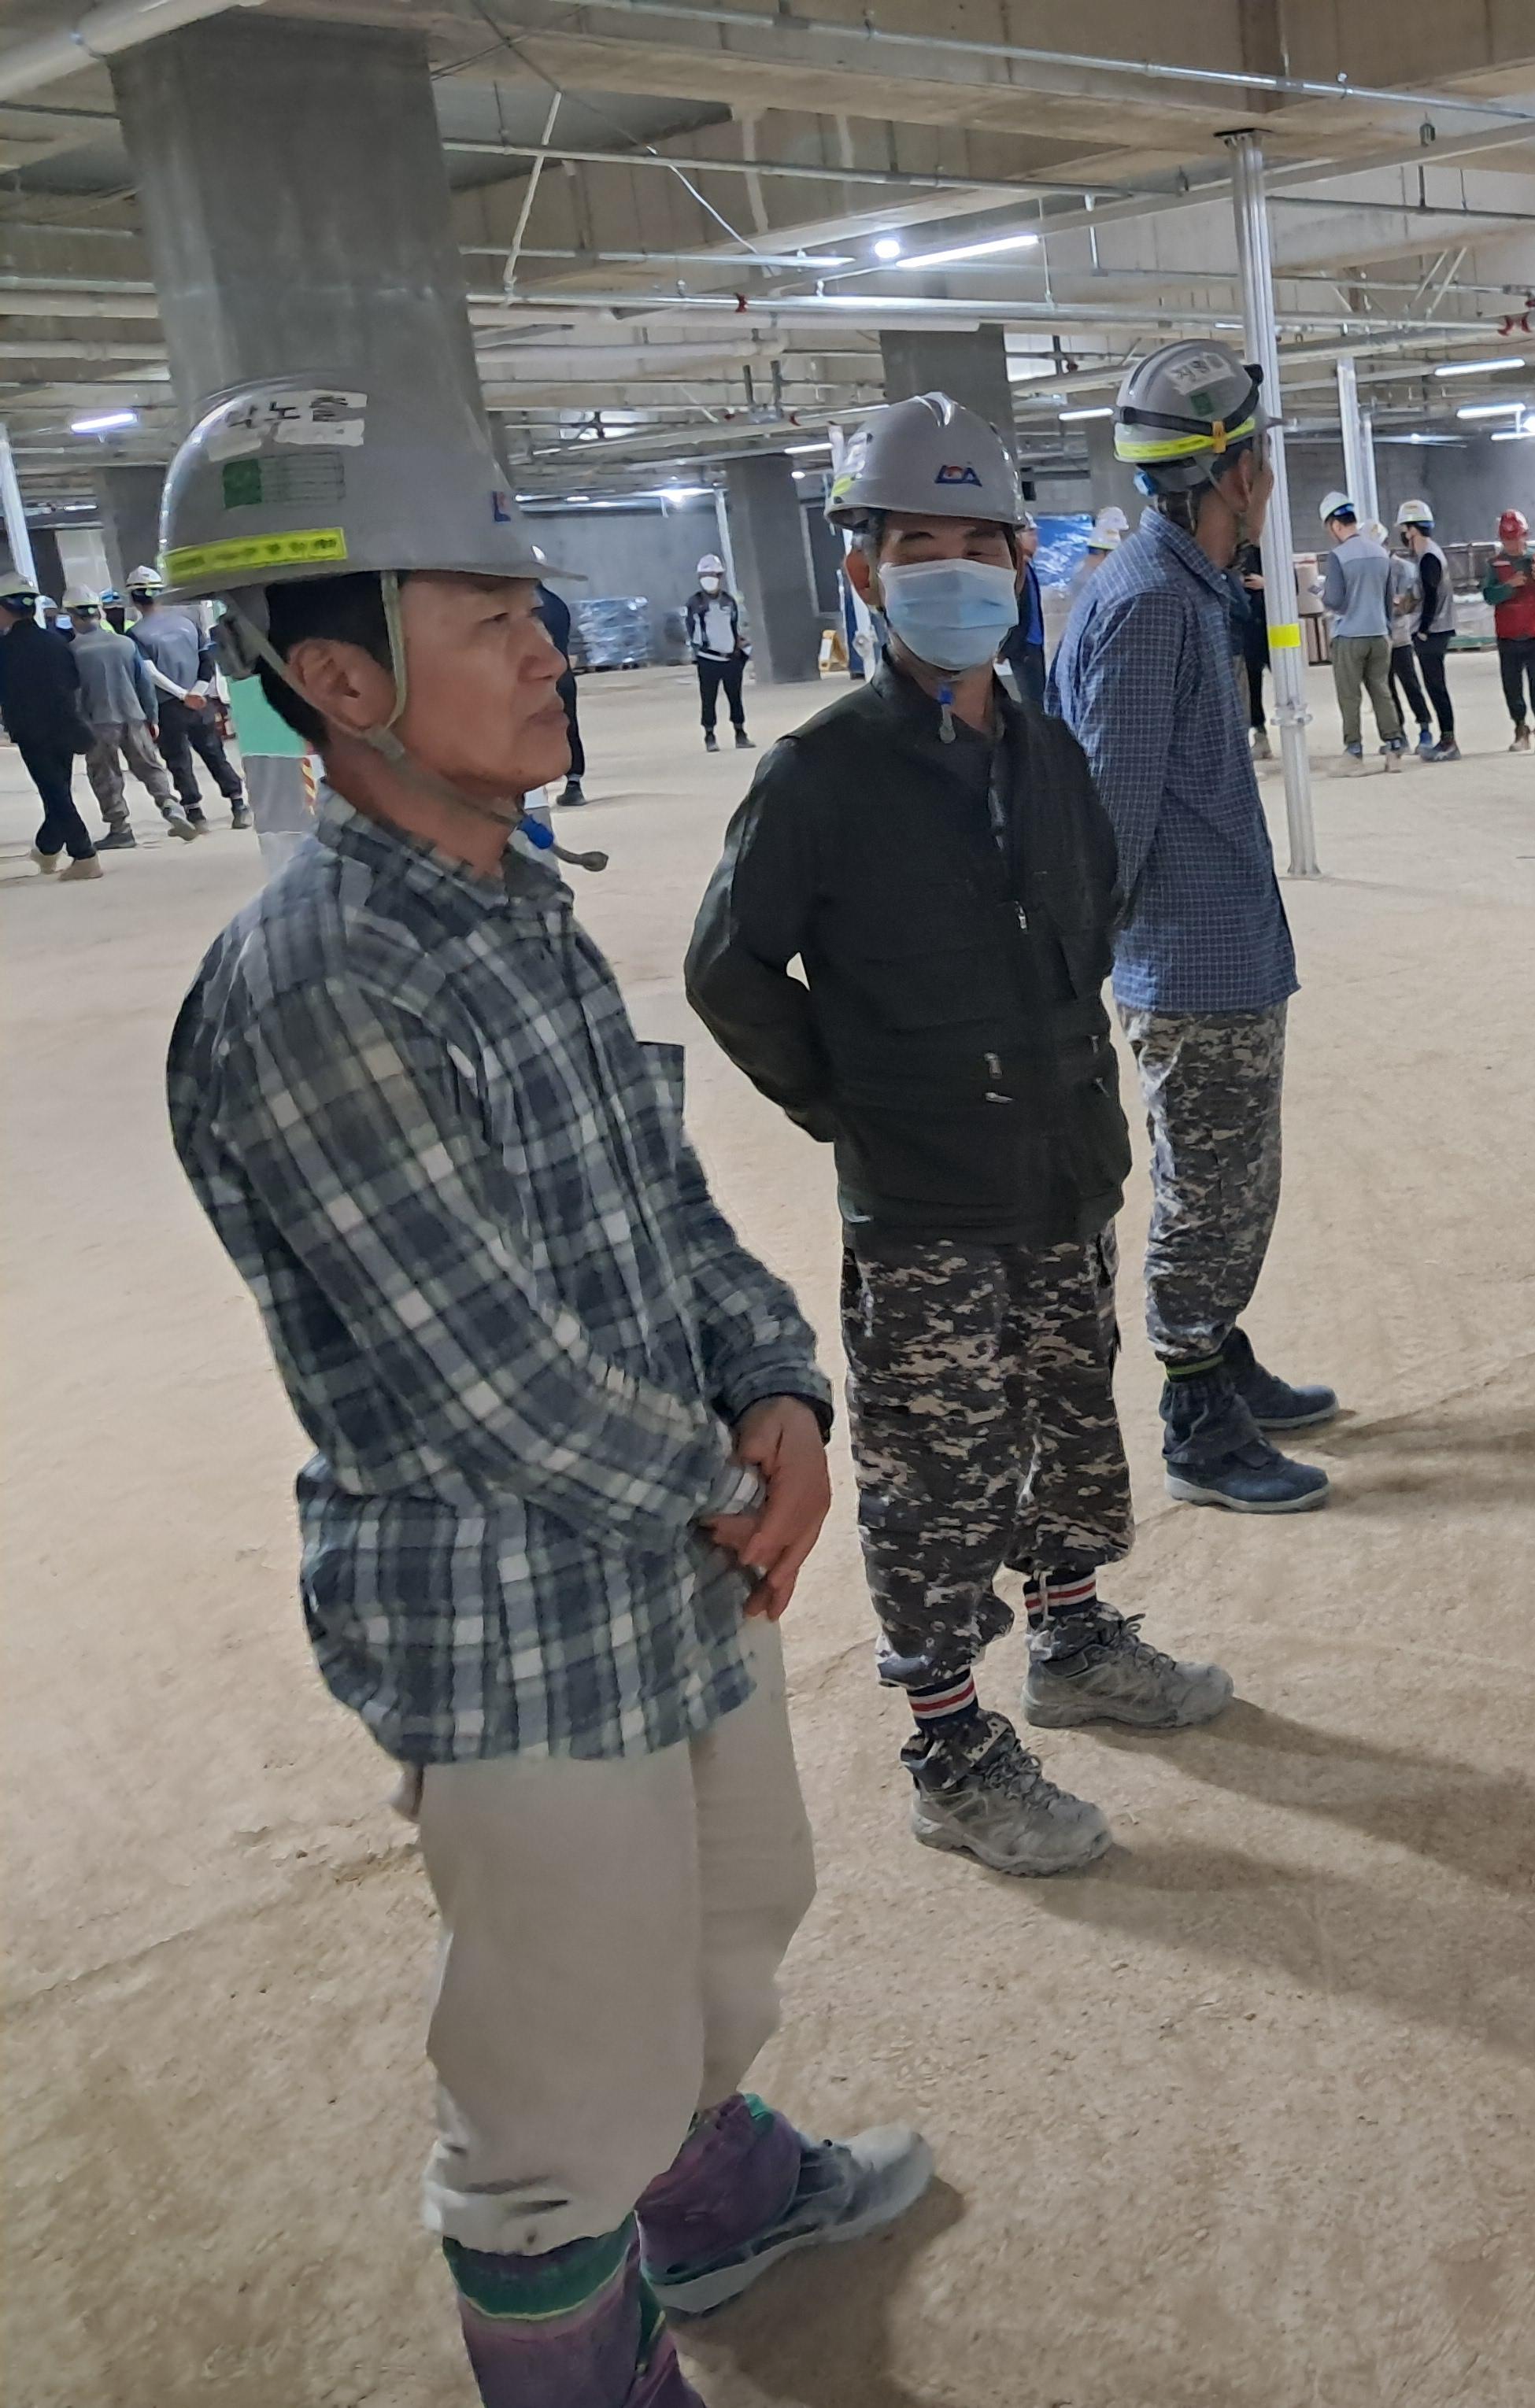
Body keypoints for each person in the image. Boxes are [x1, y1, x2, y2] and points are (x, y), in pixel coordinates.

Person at [158, 370, 931, 2408]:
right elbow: (482, 1378)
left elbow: (665, 1207)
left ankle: (712, 2199)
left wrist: (782, 1391)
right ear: (339, 680)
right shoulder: (326, 979)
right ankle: (575, 2356)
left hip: (678, 1554)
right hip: (515, 1618)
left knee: (732, 1919)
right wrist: (739, 1485)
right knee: (554, 2083)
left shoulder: (517, 906)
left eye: (535, 607)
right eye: (490, 617)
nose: (548, 646)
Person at [690, 390, 1233, 1880]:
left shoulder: (1048, 754)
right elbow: (729, 969)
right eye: (916, 546)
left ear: (1020, 561)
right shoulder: (821, 774)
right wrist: (851, 1101)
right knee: (939, 1471)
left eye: (979, 545)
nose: (953, 573)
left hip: (1063, 1170)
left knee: (1067, 1421)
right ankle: (948, 1741)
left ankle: (1072, 1639)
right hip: (924, 1204)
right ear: (863, 570)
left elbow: (1089, 917)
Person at [1057, 338, 1338, 1514]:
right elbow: (1109, 819)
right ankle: (1194, 1412)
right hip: (1187, 967)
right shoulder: (1152, 604)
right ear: (1230, 472)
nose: (1268, 476)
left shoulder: (1184, 587)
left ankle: (1219, 1351)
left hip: (1220, 948)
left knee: (1234, 1185)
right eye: (1260, 456)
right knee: (1210, 1193)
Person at [67, 583, 195, 846]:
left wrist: (74, 725)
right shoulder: (125, 643)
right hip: (134, 716)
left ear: (72, 616)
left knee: (105, 775)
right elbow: (144, 684)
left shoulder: (72, 651)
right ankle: (170, 805)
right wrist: (152, 717)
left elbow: (73, 694)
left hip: (97, 722)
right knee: (149, 766)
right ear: (99, 613)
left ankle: (120, 828)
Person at [128, 563, 250, 829]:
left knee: (178, 760)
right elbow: (207, 661)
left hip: (168, 706)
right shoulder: (189, 624)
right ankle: (239, 804)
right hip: (200, 703)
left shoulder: (135, 634)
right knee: (214, 753)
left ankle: (195, 814)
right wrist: (196, 693)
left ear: (133, 599)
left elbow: (149, 672)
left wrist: (182, 695)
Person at [2, 567, 100, 878]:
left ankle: (84, 856)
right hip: (66, 727)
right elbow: (74, 683)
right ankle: (47, 848)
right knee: (58, 790)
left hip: (32, 733)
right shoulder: (57, 642)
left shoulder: (4, 650)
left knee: (55, 794)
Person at [1313, 493, 1403, 766]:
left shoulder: (1339, 556)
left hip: (1350, 636)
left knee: (1350, 696)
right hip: (1379, 634)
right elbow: (1388, 599)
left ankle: (1354, 752)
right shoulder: (1380, 553)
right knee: (1381, 691)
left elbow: (1335, 600)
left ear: (1334, 525)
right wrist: (1386, 629)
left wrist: (1321, 593)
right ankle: (1394, 748)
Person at [1389, 500, 1461, 762]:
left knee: (1436, 686)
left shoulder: (1429, 556)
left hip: (1434, 630)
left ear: (1412, 529)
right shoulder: (1426, 555)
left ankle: (1449, 741)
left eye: (1404, 529)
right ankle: (1446, 739)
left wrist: (1423, 630)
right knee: (1433, 685)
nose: (1403, 535)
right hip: (1434, 628)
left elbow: (1431, 596)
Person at [1483, 508, 1535, 752]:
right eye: (1507, 540)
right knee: (1512, 686)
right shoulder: (1495, 565)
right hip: (1508, 635)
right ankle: (1520, 728)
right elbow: (1489, 595)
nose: (1513, 544)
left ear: (1525, 536)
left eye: (1516, 538)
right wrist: (1508, 586)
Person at [685, 552, 753, 752]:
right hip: (708, 659)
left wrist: (742, 650)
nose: (709, 579)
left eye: (713, 575)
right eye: (705, 575)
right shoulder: (695, 603)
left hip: (730, 658)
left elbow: (737, 627)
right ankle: (709, 735)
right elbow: (691, 630)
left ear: (720, 576)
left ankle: (740, 733)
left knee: (735, 697)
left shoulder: (729, 601)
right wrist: (697, 652)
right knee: (708, 698)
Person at [532, 579, 586, 808]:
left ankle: (532, 794)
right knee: (569, 726)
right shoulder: (557, 603)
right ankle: (574, 784)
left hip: (538, 679)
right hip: (564, 675)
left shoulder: (526, 607)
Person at [1226, 526, 1274, 759]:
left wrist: (1267, 583)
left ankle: (1293, 734)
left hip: (1273, 629)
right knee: (1252, 687)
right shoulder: (1231, 555)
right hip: (1247, 633)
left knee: (1288, 683)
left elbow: (1291, 584)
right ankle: (1260, 734)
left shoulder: (1269, 552)